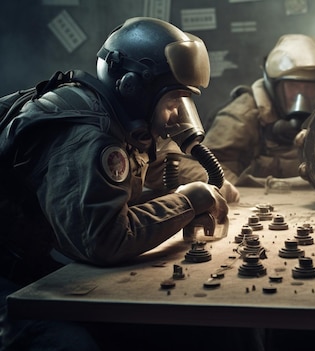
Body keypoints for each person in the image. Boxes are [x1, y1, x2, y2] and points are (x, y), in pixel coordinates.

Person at [0, 17, 235, 350]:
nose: (175, 116)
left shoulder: (114, 120)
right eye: (171, 103)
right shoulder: (88, 136)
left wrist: (186, 196)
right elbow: (105, 239)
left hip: (39, 267)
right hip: (13, 284)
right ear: (132, 87)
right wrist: (186, 203)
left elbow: (120, 193)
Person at [147, 34, 315, 191]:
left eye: (311, 87)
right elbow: (191, 164)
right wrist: (225, 186)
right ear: (274, 86)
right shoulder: (242, 116)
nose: (302, 95)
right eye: (293, 86)